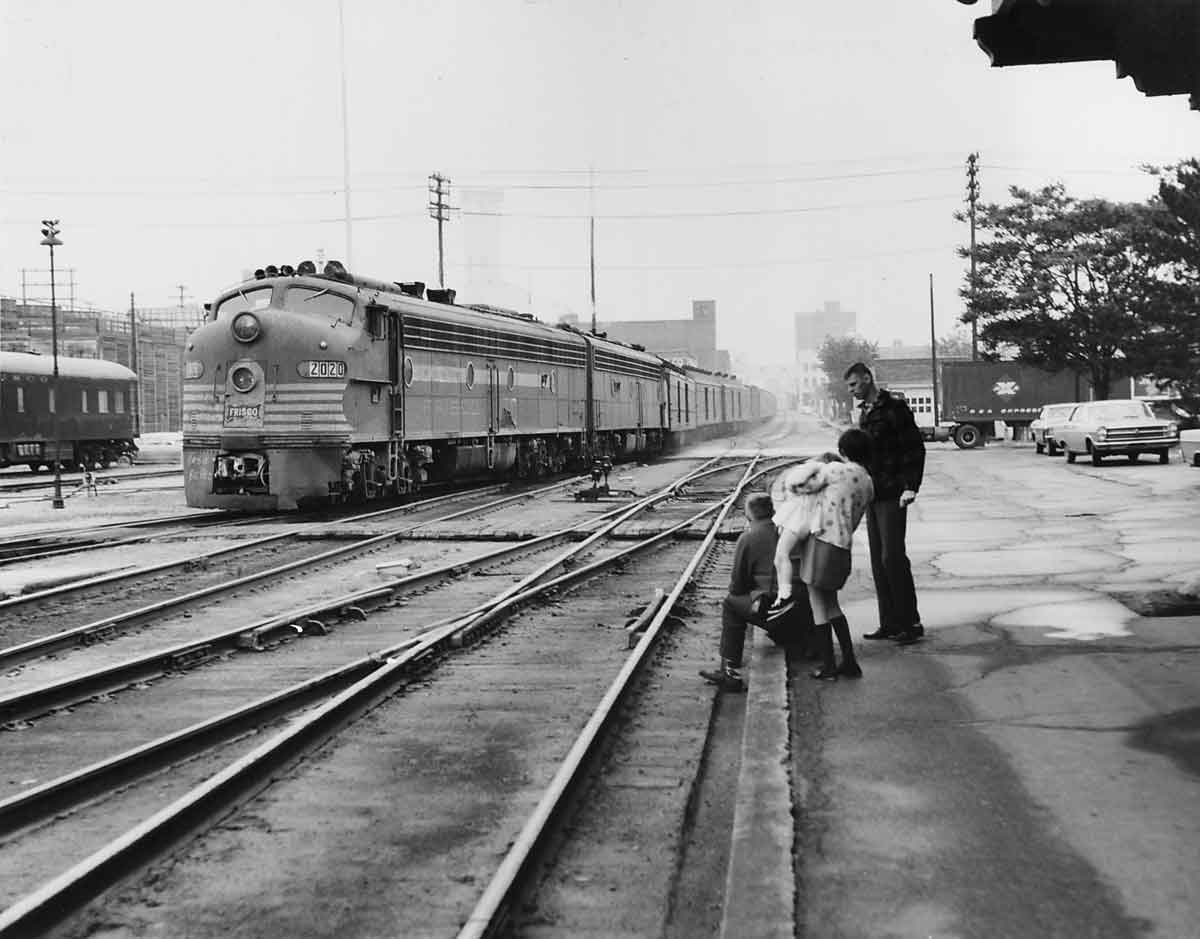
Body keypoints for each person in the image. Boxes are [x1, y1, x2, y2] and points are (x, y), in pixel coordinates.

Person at [766, 430, 875, 679]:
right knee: (832, 604)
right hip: (842, 547)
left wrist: (810, 467)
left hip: (822, 542)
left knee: (819, 606)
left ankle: (828, 666)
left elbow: (798, 484)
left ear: (844, 451)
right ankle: (849, 662)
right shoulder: (868, 482)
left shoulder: (836, 471)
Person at [844, 361, 926, 645]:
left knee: (893, 557)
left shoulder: (894, 408)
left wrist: (911, 486)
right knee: (879, 560)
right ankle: (889, 622)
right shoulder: (864, 413)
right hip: (873, 493)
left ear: (867, 378)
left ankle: (910, 623)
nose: (852, 390)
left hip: (893, 492)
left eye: (854, 384)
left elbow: (914, 447)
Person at [698, 492, 778, 693]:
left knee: (731, 604)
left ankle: (729, 671)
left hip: (772, 608)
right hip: (798, 607)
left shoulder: (749, 537)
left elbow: (737, 584)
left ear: (749, 513)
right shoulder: (784, 531)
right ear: (773, 511)